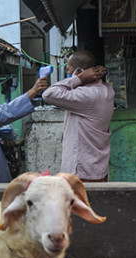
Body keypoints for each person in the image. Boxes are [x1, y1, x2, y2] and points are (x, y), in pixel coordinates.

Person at [42, 50, 115, 182]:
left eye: (69, 70)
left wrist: (78, 79)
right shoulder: (107, 90)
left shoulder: (86, 95)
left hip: (81, 171)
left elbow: (48, 94)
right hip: (98, 168)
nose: (68, 74)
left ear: (80, 71)